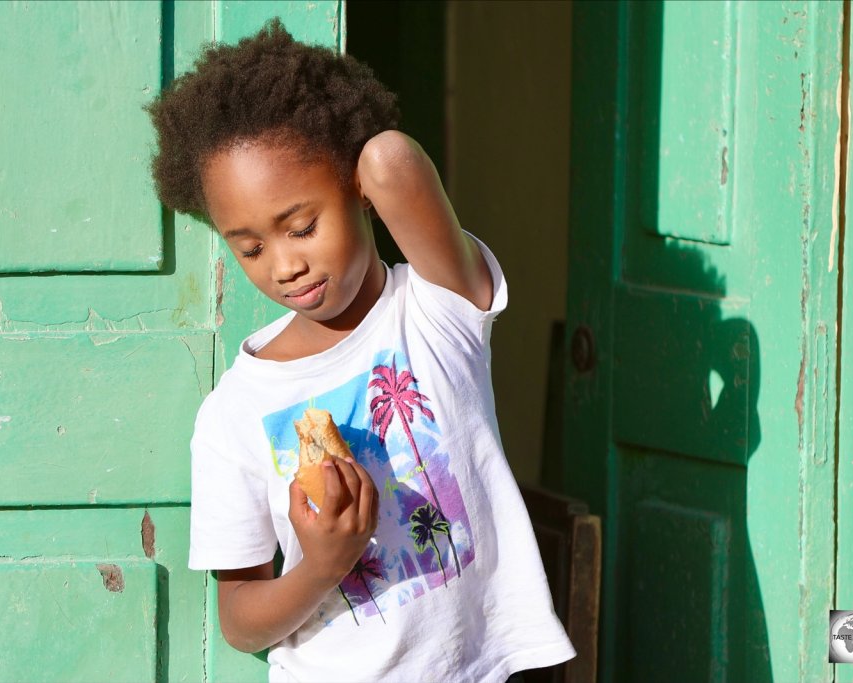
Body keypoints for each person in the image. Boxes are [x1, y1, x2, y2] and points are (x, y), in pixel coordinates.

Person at [145, 19, 576, 683]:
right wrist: (321, 564)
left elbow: (391, 160)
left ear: (356, 191)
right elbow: (240, 617)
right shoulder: (234, 412)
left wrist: (358, 150)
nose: (284, 265)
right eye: (251, 246)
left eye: (301, 225)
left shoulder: (436, 308)